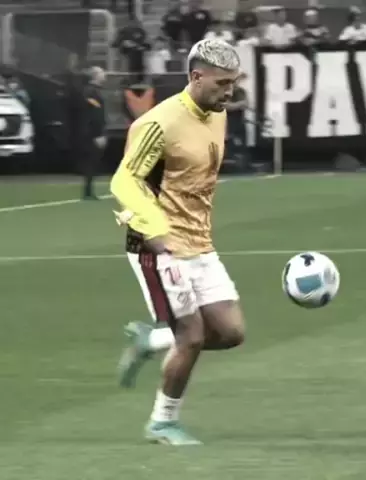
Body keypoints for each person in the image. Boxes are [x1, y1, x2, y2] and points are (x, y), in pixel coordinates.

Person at [110, 38, 245, 446]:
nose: (230, 91)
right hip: (158, 245)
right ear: (196, 77)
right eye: (222, 83)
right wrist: (154, 230)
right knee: (192, 336)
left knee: (231, 332)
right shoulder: (158, 123)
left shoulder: (217, 113)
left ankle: (150, 340)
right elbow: (124, 180)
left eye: (233, 82)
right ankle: (162, 422)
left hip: (199, 242)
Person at [82, 66, 107, 200]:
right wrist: (98, 134)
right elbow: (95, 113)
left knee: (93, 161)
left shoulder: (95, 91)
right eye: (101, 73)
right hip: (92, 131)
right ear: (95, 76)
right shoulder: (91, 91)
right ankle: (87, 191)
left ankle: (89, 190)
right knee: (91, 160)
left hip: (94, 130)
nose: (104, 75)